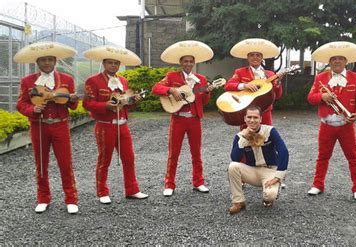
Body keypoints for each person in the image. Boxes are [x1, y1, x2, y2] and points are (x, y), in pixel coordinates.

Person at [15, 41, 79, 214]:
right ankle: (43, 197)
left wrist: (73, 100)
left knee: (65, 163)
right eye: (43, 60)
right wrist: (32, 109)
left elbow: (73, 105)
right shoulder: (28, 81)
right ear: (37, 62)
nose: (47, 63)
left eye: (50, 59)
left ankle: (71, 198)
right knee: (41, 162)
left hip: (60, 125)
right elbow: (21, 103)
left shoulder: (66, 80)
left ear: (55, 61)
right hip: (39, 127)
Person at [83, 46, 148, 204]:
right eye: (110, 63)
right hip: (105, 125)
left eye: (116, 63)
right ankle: (102, 192)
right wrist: (105, 106)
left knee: (129, 158)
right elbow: (87, 103)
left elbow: (125, 104)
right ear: (104, 63)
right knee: (104, 159)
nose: (113, 66)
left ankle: (132, 190)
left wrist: (134, 101)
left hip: (123, 124)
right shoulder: (93, 81)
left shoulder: (123, 81)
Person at [152, 40, 214, 197]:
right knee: (174, 153)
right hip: (178, 119)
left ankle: (198, 182)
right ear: (181, 62)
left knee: (196, 153)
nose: (188, 63)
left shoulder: (201, 78)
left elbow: (204, 102)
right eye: (185, 61)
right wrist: (171, 90)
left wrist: (207, 92)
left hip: (194, 119)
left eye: (191, 61)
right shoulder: (172, 76)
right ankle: (169, 184)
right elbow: (156, 88)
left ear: (194, 63)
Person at [306, 41, 356, 201]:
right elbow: (311, 97)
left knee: (353, 157)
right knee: (322, 156)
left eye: (340, 59)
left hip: (346, 125)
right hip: (326, 124)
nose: (337, 61)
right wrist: (322, 96)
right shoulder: (320, 78)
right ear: (329, 62)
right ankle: (318, 185)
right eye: (334, 59)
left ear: (346, 61)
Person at [227, 106, 289, 215]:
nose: (252, 120)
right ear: (244, 119)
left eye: (255, 117)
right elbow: (235, 158)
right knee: (232, 166)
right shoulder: (240, 136)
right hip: (253, 171)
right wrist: (243, 139)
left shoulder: (270, 131)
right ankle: (238, 202)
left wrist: (278, 176)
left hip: (270, 171)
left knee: (269, 196)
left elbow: (283, 151)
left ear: (260, 119)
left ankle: (270, 194)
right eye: (249, 117)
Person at [225, 38, 283, 128]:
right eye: (252, 55)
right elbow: (228, 86)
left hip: (265, 112)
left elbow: (277, 96)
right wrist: (245, 85)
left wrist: (278, 82)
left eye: (258, 55)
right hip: (247, 112)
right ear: (248, 58)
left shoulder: (270, 74)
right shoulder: (240, 72)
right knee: (246, 139)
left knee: (266, 138)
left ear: (262, 58)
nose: (255, 57)